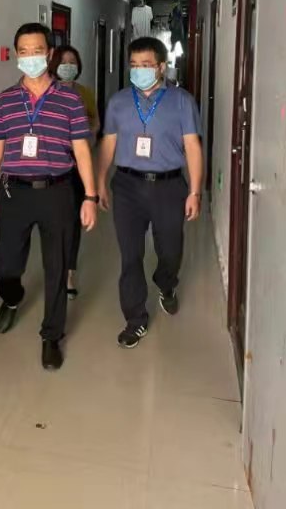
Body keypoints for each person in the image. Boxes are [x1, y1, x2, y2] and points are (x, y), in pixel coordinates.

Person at [0, 23, 98, 370]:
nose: (31, 57)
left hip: (58, 191)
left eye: (37, 50)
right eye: (24, 51)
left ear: (49, 53)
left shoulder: (70, 99)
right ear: (17, 55)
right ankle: (11, 297)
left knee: (56, 267)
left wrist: (90, 196)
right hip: (14, 191)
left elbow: (81, 150)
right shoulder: (5, 100)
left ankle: (51, 336)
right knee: (6, 264)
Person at [97, 36, 203, 349]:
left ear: (161, 66)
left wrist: (195, 191)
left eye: (145, 65)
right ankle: (135, 319)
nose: (139, 70)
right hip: (127, 186)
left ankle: (166, 283)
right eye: (134, 65)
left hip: (169, 186)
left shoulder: (182, 101)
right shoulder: (118, 102)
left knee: (170, 250)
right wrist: (100, 180)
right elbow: (108, 143)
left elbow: (193, 147)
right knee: (130, 255)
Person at [50, 45, 100, 299]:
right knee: (54, 221)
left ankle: (69, 271)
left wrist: (85, 136)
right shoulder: (45, 92)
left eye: (73, 62)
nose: (68, 66)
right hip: (51, 168)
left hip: (77, 166)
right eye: (63, 61)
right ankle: (55, 268)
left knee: (72, 221)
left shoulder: (84, 93)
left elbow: (95, 121)